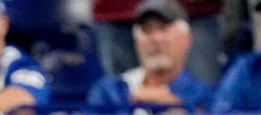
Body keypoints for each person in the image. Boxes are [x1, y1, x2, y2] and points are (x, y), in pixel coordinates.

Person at [84, 0, 213, 115]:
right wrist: (129, 108)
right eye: (147, 30)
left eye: (164, 28)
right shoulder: (110, 92)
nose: (155, 39)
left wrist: (174, 107)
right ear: (137, 41)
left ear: (186, 38)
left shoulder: (204, 97)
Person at [92, 0, 224, 86]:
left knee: (204, 110)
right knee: (118, 100)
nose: (156, 38)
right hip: (116, 11)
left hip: (195, 11)